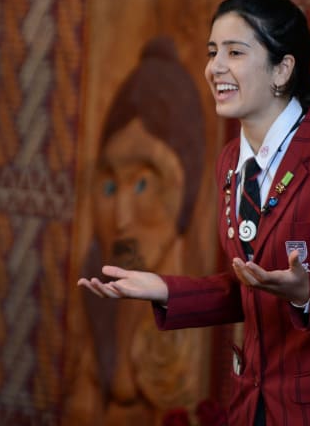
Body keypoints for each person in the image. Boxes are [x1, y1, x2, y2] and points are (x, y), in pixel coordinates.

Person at [78, 0, 310, 425]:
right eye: (212, 51)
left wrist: (308, 292)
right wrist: (163, 289)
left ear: (282, 68)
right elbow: (253, 288)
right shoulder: (229, 164)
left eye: (235, 52)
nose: (215, 66)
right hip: (256, 406)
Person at [65, 36, 211, 425]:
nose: (122, 218)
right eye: (110, 187)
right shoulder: (96, 306)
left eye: (144, 184)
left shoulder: (207, 312)